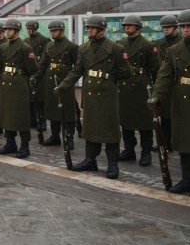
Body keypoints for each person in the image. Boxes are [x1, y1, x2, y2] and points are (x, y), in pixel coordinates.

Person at [55, 15, 131, 179]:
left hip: (107, 96)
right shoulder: (83, 49)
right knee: (90, 129)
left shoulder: (116, 49)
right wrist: (64, 85)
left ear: (101, 30)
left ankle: (112, 163)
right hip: (90, 95)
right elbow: (77, 70)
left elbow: (126, 72)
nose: (89, 30)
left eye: (92, 28)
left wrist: (108, 78)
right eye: (88, 28)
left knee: (110, 131)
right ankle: (90, 160)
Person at [0, 18, 38, 158]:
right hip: (5, 85)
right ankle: (10, 143)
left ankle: (25, 147)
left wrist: (20, 73)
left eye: (9, 30)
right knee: (6, 116)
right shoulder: (3, 47)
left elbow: (32, 68)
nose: (7, 32)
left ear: (17, 31)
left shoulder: (25, 48)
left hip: (18, 86)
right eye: (5, 29)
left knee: (21, 117)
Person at [149, 9, 190, 194]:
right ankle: (187, 179)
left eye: (188, 26)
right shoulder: (174, 51)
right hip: (182, 101)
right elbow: (164, 75)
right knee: (184, 142)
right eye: (183, 27)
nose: (186, 30)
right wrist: (157, 95)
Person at [116, 15, 160, 167]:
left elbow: (156, 70)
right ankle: (129, 150)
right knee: (126, 121)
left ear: (138, 27)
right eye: (125, 25)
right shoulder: (120, 44)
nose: (126, 27)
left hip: (142, 88)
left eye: (130, 25)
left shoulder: (148, 46)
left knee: (145, 123)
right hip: (125, 87)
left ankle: (146, 152)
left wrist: (156, 92)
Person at [32, 19, 79, 149]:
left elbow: (78, 67)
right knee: (52, 110)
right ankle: (55, 136)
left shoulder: (72, 46)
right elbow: (43, 64)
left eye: (55, 31)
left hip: (65, 83)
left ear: (62, 31)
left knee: (67, 112)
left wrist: (69, 81)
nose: (52, 33)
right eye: (51, 31)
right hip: (51, 81)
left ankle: (69, 138)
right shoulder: (49, 46)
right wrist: (36, 76)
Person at [154, 14, 181, 151]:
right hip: (164, 83)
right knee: (163, 115)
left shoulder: (182, 41)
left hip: (178, 83)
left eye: (168, 27)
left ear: (176, 27)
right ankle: (165, 143)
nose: (165, 29)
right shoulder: (159, 43)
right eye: (163, 27)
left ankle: (178, 141)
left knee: (178, 115)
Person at [24, 20, 51, 131]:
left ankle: (42, 122)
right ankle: (32, 120)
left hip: (40, 73)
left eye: (30, 28)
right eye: (27, 28)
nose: (28, 30)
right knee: (30, 100)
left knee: (40, 100)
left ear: (35, 28)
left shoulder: (45, 40)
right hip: (29, 71)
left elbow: (46, 58)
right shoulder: (25, 41)